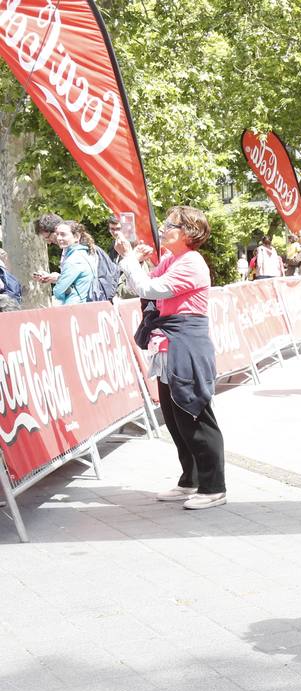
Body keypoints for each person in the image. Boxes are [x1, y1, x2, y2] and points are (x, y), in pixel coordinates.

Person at [114, 207, 226, 510]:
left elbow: (150, 288)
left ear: (188, 232)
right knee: (175, 418)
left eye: (169, 225)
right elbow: (141, 285)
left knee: (195, 414)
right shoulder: (171, 259)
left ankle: (214, 486)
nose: (162, 228)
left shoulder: (191, 262)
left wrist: (129, 259)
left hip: (186, 341)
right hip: (168, 342)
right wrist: (133, 258)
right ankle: (190, 479)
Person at [49, 220, 95, 305]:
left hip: (74, 306)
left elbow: (58, 290)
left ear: (76, 237)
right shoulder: (86, 254)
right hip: (86, 304)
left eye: (63, 234)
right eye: (57, 234)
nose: (59, 238)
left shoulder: (74, 260)